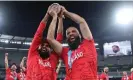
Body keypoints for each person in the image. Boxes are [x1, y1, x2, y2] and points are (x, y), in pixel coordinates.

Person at [47, 5, 97, 80]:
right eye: (68, 33)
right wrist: (55, 17)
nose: (71, 33)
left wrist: (65, 12)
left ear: (80, 35)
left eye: (74, 31)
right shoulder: (65, 52)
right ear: (66, 38)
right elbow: (50, 38)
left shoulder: (88, 43)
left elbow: (81, 21)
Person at [26, 3, 63, 80]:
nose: (44, 46)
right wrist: (47, 14)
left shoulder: (53, 57)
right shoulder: (33, 55)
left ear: (51, 50)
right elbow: (38, 33)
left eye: (47, 46)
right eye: (42, 45)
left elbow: (59, 37)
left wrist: (60, 19)